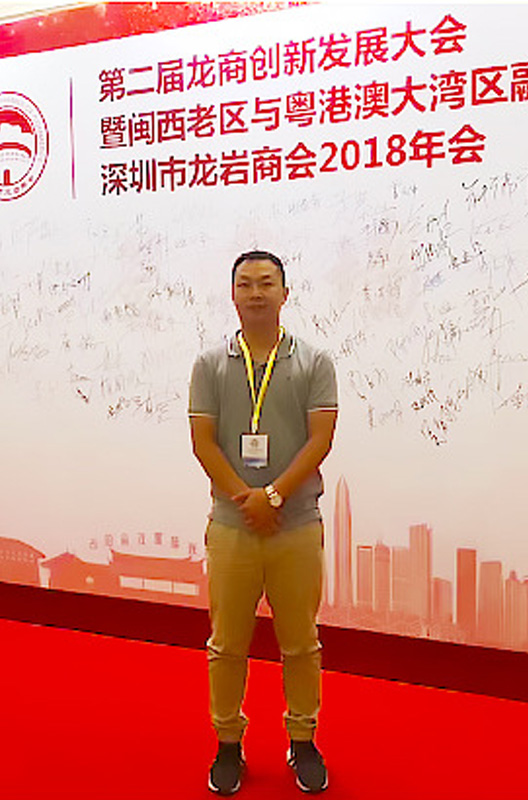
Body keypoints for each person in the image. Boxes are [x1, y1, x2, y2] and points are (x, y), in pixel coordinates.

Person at [188, 250, 338, 795]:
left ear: (284, 293)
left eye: (266, 283)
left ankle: (303, 740)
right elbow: (203, 442)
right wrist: (245, 498)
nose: (256, 293)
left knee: (301, 644)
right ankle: (228, 743)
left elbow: (320, 439)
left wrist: (273, 496)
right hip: (232, 526)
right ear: (233, 294)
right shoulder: (209, 364)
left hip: (296, 524)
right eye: (246, 284)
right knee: (226, 645)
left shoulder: (314, 361)